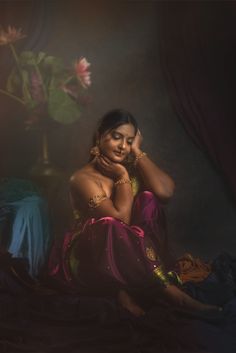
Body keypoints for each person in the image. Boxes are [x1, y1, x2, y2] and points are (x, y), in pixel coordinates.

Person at [48, 109, 222, 317]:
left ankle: (137, 287)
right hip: (87, 258)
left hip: (132, 254)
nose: (123, 147)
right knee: (108, 224)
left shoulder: (130, 164)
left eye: (129, 141)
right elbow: (120, 219)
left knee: (147, 199)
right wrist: (121, 175)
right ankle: (170, 295)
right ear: (99, 136)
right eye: (116, 137)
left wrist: (138, 152)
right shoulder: (83, 178)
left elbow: (165, 192)